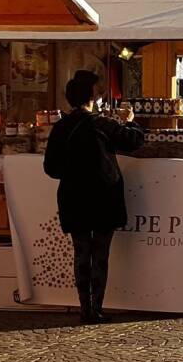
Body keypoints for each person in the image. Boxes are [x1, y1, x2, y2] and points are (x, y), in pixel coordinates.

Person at [43, 72, 144, 324]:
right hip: (103, 196)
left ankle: (84, 308)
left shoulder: (61, 127)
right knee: (100, 252)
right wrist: (130, 121)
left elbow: (51, 168)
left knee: (81, 251)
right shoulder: (103, 124)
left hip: (73, 195)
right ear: (92, 97)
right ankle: (96, 308)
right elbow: (134, 141)